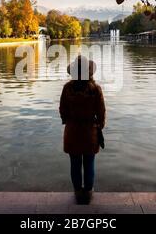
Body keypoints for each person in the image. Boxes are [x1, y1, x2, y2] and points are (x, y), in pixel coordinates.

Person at [59, 55, 106, 204]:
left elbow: (62, 110)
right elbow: (101, 113)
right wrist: (99, 126)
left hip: (72, 131)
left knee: (75, 164)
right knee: (89, 163)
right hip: (90, 132)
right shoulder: (95, 89)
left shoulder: (67, 88)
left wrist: (67, 121)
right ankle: (88, 192)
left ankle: (78, 192)